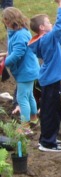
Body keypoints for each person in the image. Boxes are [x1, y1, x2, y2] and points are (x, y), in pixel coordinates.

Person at [28, 0, 61, 152]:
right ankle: (47, 143)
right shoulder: (46, 39)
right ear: (42, 28)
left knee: (55, 111)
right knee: (50, 112)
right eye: (48, 22)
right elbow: (58, 28)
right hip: (50, 80)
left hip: (52, 79)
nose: (51, 24)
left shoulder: (50, 40)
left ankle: (50, 138)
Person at [1, 7, 40, 135]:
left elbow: (18, 54)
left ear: (9, 20)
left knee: (22, 98)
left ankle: (25, 127)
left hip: (25, 71)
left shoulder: (20, 34)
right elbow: (16, 50)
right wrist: (5, 54)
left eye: (5, 20)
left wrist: (3, 63)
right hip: (30, 69)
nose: (4, 22)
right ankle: (34, 119)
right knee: (29, 96)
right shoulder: (20, 31)